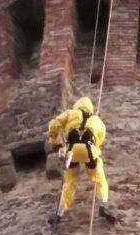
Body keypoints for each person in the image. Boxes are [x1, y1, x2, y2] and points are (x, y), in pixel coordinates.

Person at [47, 96, 115, 224]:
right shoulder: (97, 120)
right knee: (100, 179)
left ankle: (59, 213)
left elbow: (54, 125)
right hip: (89, 151)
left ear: (77, 106)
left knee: (69, 182)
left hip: (71, 152)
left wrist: (53, 138)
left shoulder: (70, 113)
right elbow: (100, 139)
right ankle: (103, 205)